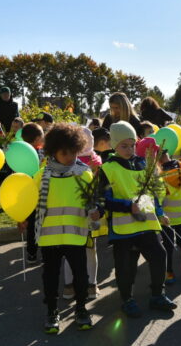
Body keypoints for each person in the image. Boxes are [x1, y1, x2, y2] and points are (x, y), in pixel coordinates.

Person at [99, 121, 177, 318]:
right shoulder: (107, 168)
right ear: (114, 145)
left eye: (132, 144)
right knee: (126, 267)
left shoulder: (143, 163)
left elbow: (152, 192)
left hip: (147, 223)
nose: (129, 149)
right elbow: (103, 199)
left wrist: (160, 213)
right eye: (123, 145)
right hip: (123, 230)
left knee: (159, 255)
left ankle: (158, 295)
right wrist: (127, 206)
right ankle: (127, 299)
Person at [26, 123, 94, 333]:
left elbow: (92, 201)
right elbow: (31, 203)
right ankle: (52, 311)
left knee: (81, 277)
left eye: (74, 152)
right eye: (65, 152)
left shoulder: (84, 174)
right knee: (50, 278)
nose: (70, 157)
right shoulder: (42, 176)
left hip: (76, 236)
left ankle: (81, 309)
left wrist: (96, 210)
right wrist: (23, 218)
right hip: (50, 238)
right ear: (53, 151)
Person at [61, 127, 103, 301]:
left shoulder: (94, 161)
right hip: (78, 213)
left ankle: (77, 284)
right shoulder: (68, 161)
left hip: (82, 213)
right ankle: (83, 284)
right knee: (86, 250)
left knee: (78, 250)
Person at [157, 144, 181, 284]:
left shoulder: (159, 177)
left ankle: (169, 274)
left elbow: (158, 199)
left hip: (167, 218)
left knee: (168, 246)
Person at [19, 123, 45, 264]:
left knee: (30, 224)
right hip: (40, 191)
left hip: (26, 192)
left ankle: (31, 254)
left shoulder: (21, 152)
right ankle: (44, 251)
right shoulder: (41, 153)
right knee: (40, 222)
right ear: (36, 139)